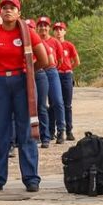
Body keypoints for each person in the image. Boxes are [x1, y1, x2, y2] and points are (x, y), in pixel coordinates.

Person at [0, 0, 50, 193]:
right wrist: (0, 73)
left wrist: (28, 72)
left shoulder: (27, 33)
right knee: (0, 131)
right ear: (0, 12)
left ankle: (31, 178)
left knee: (26, 130)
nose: (8, 10)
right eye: (4, 8)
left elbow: (44, 59)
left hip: (22, 82)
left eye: (12, 8)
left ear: (19, 12)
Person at [36, 17, 67, 146]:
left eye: (45, 25)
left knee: (57, 101)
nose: (43, 28)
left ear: (49, 28)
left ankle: (61, 130)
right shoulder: (35, 40)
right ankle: (45, 133)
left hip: (51, 71)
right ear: (37, 28)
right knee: (41, 105)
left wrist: (51, 67)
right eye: (40, 25)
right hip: (38, 72)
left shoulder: (55, 42)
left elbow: (60, 60)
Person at [52, 22, 79, 140]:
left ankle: (69, 131)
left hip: (66, 75)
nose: (58, 31)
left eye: (61, 29)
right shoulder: (51, 43)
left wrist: (68, 68)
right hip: (55, 74)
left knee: (67, 105)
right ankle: (52, 130)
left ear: (65, 31)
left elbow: (77, 61)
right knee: (55, 103)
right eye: (56, 29)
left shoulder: (69, 45)